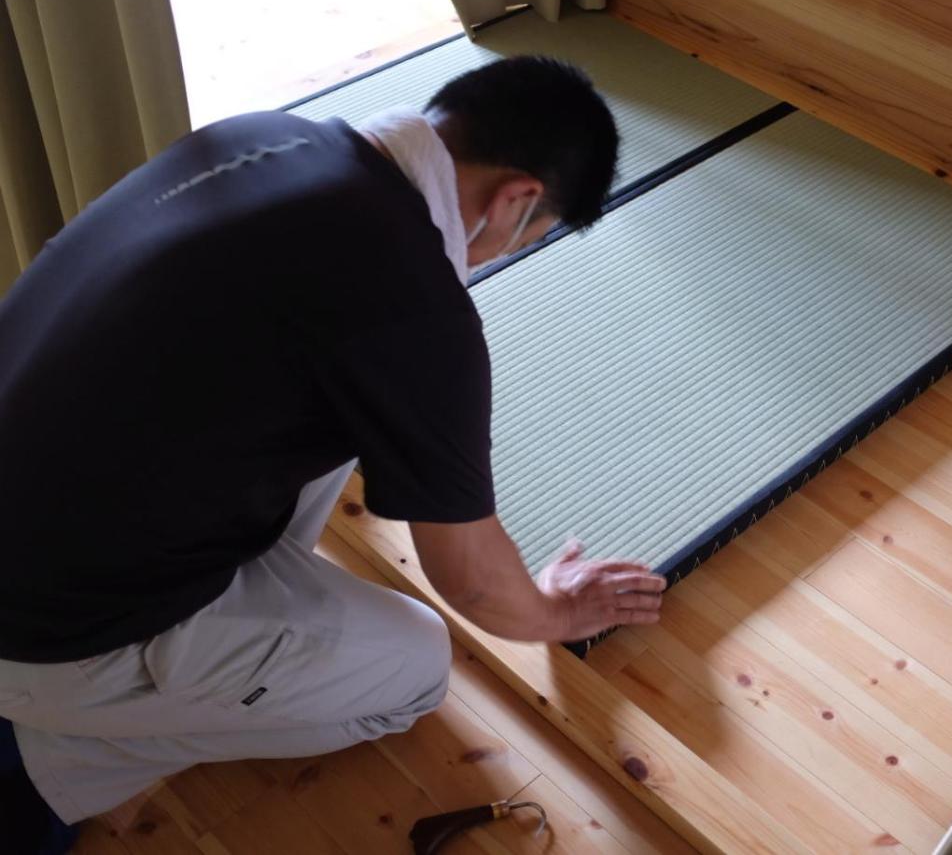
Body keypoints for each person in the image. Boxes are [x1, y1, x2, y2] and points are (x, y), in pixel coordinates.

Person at [0, 55, 665, 854]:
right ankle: (48, 763)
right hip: (44, 628)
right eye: (532, 236)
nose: (500, 255)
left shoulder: (265, 136)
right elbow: (473, 583)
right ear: (516, 200)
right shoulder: (414, 303)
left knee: (330, 402)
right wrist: (558, 610)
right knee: (417, 668)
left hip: (37, 504)